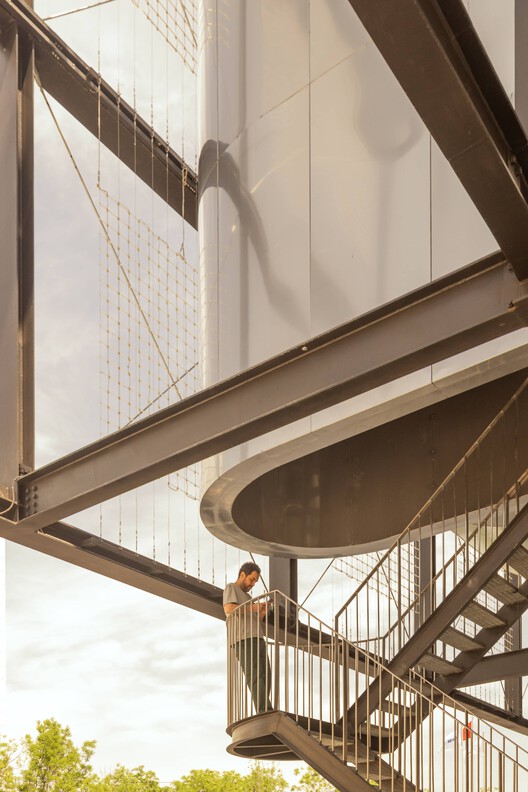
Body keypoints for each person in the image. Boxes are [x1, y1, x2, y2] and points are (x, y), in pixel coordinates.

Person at [223, 561, 272, 714]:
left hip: (257, 637)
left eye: (255, 581)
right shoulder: (231, 588)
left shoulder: (248, 597)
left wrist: (261, 613)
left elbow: (252, 621)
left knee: (267, 675)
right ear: (242, 575)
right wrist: (254, 607)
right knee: (255, 674)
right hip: (243, 639)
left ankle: (264, 707)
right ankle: (264, 710)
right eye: (252, 579)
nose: (253, 584)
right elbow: (229, 609)